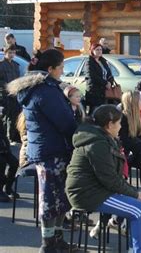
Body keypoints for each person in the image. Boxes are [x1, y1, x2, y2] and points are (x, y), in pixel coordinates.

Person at [7, 48, 77, 252]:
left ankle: (57, 240)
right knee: (51, 199)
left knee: (59, 197)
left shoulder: (39, 88)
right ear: (50, 69)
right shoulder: (45, 91)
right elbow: (64, 122)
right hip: (51, 151)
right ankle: (48, 244)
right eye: (61, 67)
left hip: (47, 149)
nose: (63, 71)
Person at [66, 105, 141, 252]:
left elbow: (111, 176)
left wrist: (132, 192)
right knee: (140, 209)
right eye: (119, 123)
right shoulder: (98, 144)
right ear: (110, 124)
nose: (120, 126)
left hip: (96, 189)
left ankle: (136, 248)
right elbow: (110, 179)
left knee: (138, 205)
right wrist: (134, 193)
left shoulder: (101, 138)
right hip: (88, 194)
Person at [84, 43, 114, 114]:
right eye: (97, 50)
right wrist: (105, 83)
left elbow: (109, 74)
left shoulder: (103, 61)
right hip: (94, 91)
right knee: (95, 111)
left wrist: (110, 82)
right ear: (92, 51)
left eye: (100, 49)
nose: (99, 51)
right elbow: (92, 76)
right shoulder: (89, 62)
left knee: (104, 111)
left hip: (104, 91)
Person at [0, 44, 21, 142]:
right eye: (10, 53)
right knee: (6, 117)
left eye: (13, 52)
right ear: (5, 53)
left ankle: (12, 137)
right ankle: (5, 138)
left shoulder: (16, 65)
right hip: (5, 95)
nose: (12, 54)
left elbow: (18, 80)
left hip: (15, 95)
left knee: (14, 116)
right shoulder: (1, 65)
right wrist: (7, 88)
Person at [0, 107, 19, 202]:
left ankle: (8, 187)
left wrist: (6, 148)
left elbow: (3, 136)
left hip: (4, 148)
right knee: (1, 163)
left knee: (14, 163)